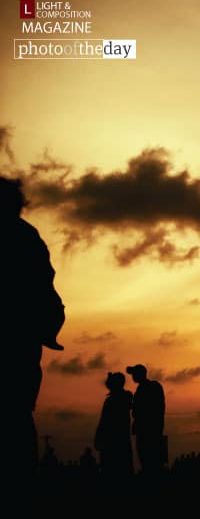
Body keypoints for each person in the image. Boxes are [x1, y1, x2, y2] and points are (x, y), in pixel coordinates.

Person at [1, 176, 65, 481]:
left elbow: (45, 290)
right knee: (17, 419)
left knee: (15, 418)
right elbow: (48, 293)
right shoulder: (28, 237)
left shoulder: (25, 238)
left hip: (18, 340)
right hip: (22, 342)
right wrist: (48, 328)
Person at [126, 364, 165, 474]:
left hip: (148, 431)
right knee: (148, 460)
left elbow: (150, 410)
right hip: (149, 430)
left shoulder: (148, 388)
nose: (133, 376)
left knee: (149, 460)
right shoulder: (150, 387)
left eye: (134, 374)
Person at [94, 372, 134, 478]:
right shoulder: (124, 397)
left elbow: (104, 422)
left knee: (113, 472)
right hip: (118, 440)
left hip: (112, 441)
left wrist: (99, 437)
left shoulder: (114, 400)